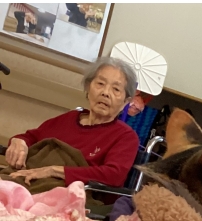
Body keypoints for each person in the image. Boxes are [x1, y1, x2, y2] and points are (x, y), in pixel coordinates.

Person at [5, 57, 139, 188]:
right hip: (26, 182)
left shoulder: (125, 136)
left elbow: (113, 175)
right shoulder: (69, 118)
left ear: (125, 102)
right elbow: (31, 137)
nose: (105, 93)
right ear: (88, 87)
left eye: (116, 89)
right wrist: (18, 142)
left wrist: (53, 171)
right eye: (100, 84)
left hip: (70, 193)